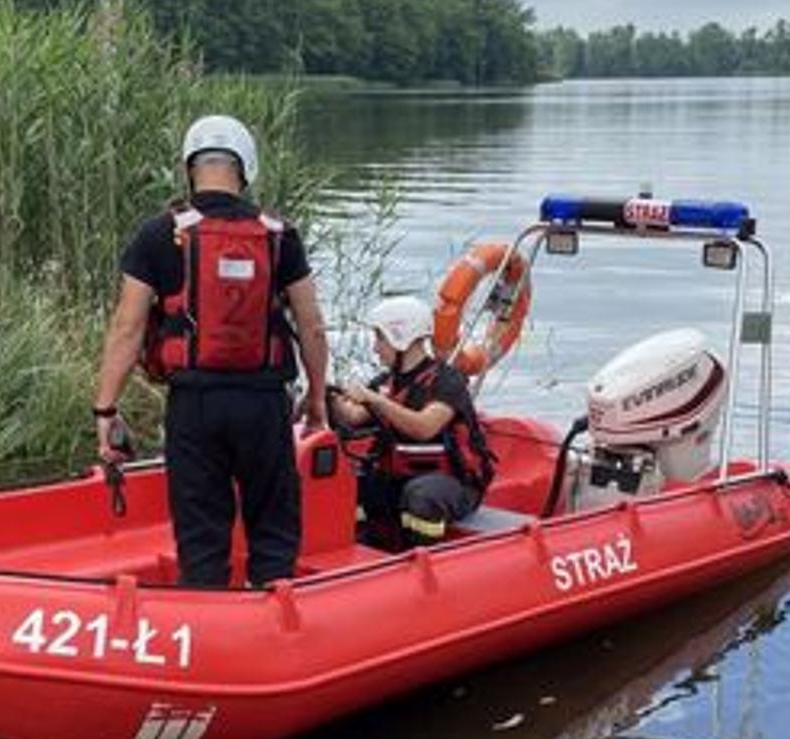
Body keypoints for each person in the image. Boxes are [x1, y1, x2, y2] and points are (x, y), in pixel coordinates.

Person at [92, 115, 329, 588]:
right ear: (246, 168)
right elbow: (312, 325)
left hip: (194, 407)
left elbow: (127, 326)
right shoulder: (280, 236)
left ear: (188, 167)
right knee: (273, 533)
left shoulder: (158, 234)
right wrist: (317, 396)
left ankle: (207, 629)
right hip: (264, 405)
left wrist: (106, 408)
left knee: (201, 541)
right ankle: (272, 625)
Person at [331, 296, 496, 549]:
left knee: (422, 495)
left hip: (452, 481)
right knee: (357, 483)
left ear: (401, 338)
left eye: (380, 338)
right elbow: (354, 418)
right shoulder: (388, 381)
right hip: (403, 475)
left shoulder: (447, 381)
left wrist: (376, 400)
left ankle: (420, 563)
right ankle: (363, 550)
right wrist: (327, 397)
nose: (376, 348)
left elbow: (424, 427)